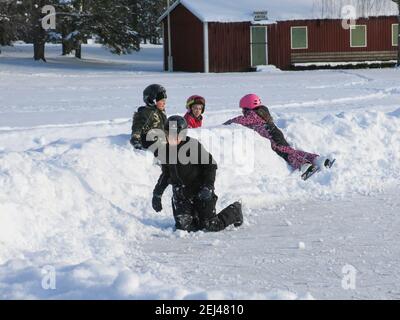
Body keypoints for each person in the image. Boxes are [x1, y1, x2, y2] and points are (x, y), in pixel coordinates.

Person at [152, 115, 243, 232]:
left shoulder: (192, 146)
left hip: (200, 191)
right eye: (169, 134)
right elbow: (166, 174)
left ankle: (234, 210)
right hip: (181, 195)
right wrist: (157, 194)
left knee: (210, 225)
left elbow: (211, 166)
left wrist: (208, 187)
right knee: (185, 227)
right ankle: (193, 215)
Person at [224, 94, 334, 179]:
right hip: (275, 133)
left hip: (273, 137)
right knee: (291, 151)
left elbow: (242, 120)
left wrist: (229, 122)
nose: (243, 111)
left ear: (248, 107)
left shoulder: (252, 115)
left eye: (243, 109)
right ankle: (318, 159)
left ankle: (305, 166)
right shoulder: (262, 112)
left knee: (286, 154)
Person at [130, 84, 168, 150]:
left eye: (164, 101)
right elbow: (138, 126)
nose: (164, 103)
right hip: (151, 142)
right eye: (161, 101)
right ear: (152, 101)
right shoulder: (145, 112)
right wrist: (135, 138)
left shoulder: (161, 112)